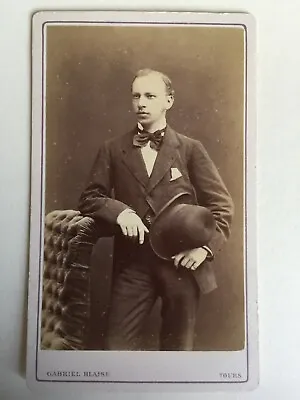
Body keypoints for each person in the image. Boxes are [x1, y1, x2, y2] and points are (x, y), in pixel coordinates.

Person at [78, 68, 234, 351]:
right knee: (116, 349)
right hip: (133, 266)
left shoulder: (190, 149)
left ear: (169, 101)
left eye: (150, 96)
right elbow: (90, 197)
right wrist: (121, 212)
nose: (142, 103)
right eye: (136, 96)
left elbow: (222, 206)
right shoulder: (112, 149)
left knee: (178, 351)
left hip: (181, 266)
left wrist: (203, 250)